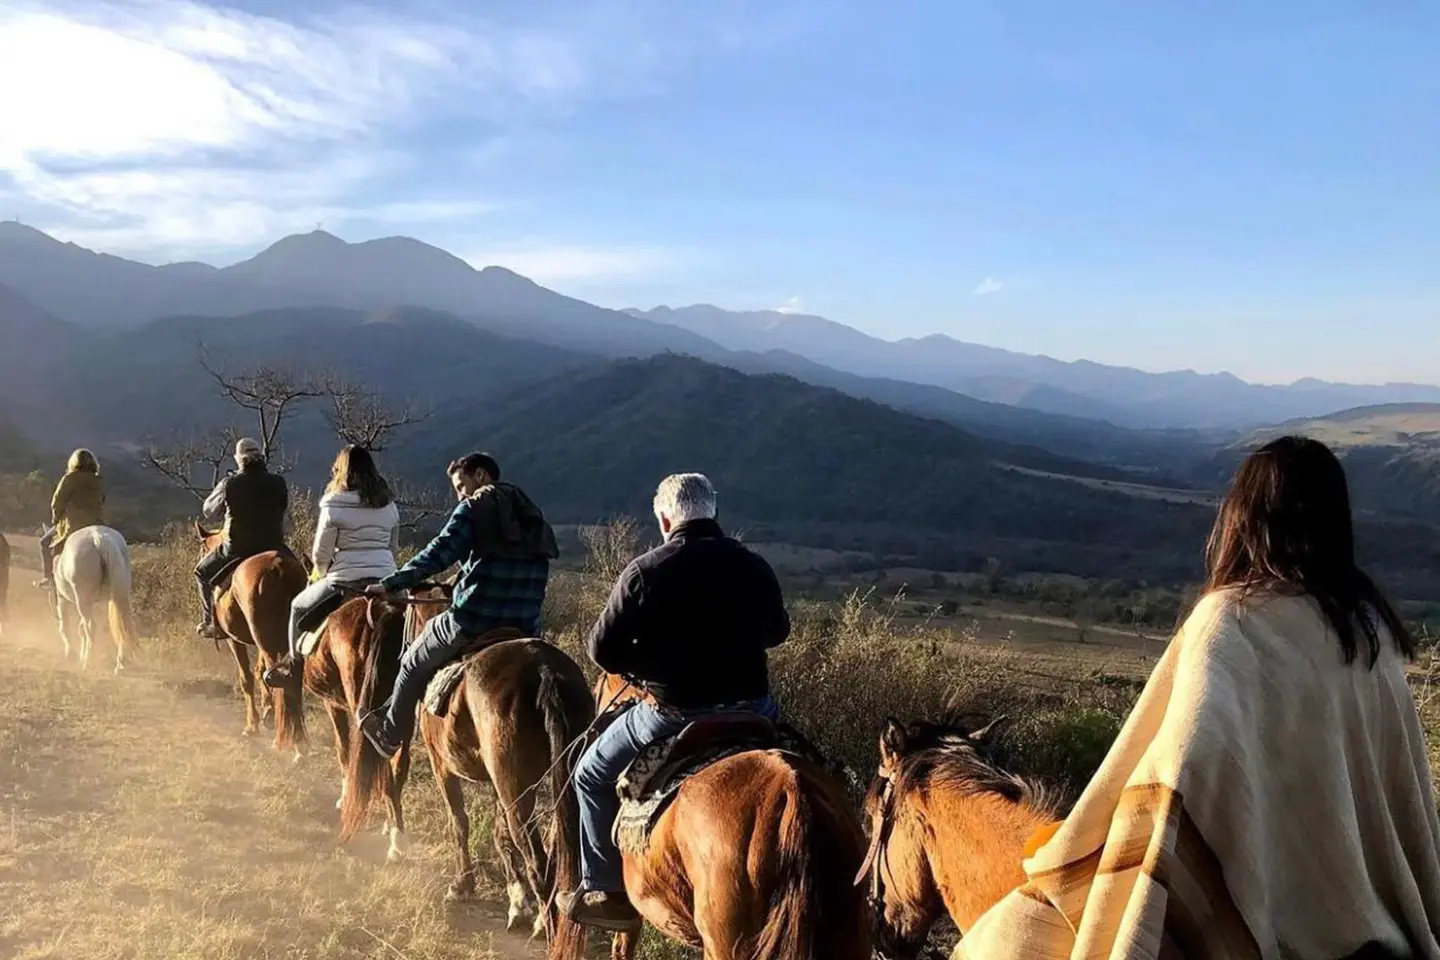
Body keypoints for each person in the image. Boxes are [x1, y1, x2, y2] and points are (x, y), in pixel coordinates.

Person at [957, 436, 1440, 960]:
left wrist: (1072, 851)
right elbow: (1402, 799)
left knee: (1003, 941)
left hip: (1271, 935)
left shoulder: (1230, 621)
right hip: (1385, 936)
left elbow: (1179, 775)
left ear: (1244, 516)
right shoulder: (1371, 629)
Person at [557, 472, 791, 931]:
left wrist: (644, 665)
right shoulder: (755, 565)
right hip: (753, 710)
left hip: (672, 714)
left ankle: (606, 890)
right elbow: (778, 633)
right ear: (713, 512)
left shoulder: (646, 570)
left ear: (665, 519)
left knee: (588, 773)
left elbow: (601, 651)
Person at [359, 452, 558, 758]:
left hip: (475, 618)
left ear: (480, 476)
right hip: (526, 626)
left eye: (460, 484)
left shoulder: (473, 508)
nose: (458, 493)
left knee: (412, 660)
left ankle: (389, 734)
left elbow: (438, 554)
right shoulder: (533, 515)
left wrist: (390, 584)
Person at [262, 445, 399, 688]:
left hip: (345, 580)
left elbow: (321, 553)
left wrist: (320, 574)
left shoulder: (334, 504)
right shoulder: (389, 504)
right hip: (385, 579)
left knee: (297, 608)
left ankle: (292, 668)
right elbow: (393, 546)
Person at [195, 438, 289, 640]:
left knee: (201, 573)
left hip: (237, 548)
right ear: (260, 457)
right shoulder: (278, 481)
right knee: (306, 575)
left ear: (239, 459)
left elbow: (209, 512)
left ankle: (211, 622)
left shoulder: (229, 483)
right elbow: (282, 508)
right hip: (274, 546)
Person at [36, 448, 106, 589]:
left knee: (44, 542)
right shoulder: (98, 480)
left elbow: (57, 502)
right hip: (95, 523)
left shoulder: (69, 478)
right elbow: (102, 500)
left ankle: (48, 578)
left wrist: (56, 520)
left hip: (72, 524)